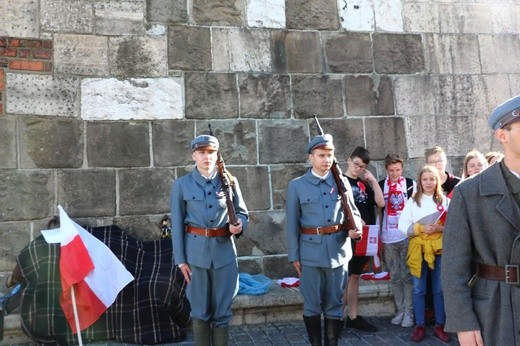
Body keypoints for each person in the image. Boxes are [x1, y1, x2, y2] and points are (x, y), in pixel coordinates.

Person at [442, 95, 520, 346]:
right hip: (495, 307)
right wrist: (463, 322)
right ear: (502, 135)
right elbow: (454, 266)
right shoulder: (470, 192)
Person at [170, 134, 249, 346]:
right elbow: (177, 224)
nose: (207, 157)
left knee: (222, 311)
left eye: (211, 152)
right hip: (196, 254)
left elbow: (242, 213)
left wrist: (239, 224)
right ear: (193, 155)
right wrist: (181, 260)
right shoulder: (182, 184)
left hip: (224, 253)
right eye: (202, 152)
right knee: (199, 310)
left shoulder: (230, 182)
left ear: (217, 155)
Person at [286, 134, 362, 346]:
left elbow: (354, 213)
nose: (326, 159)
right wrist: (294, 255)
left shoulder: (342, 182)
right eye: (321, 155)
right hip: (310, 255)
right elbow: (292, 223)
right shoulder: (297, 185)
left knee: (335, 306)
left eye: (330, 155)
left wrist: (356, 228)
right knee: (311, 306)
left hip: (338, 252)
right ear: (311, 157)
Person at [398, 165, 451, 343]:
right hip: (419, 249)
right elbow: (402, 226)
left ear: (437, 180)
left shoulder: (445, 201)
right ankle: (419, 325)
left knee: (439, 289)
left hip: (439, 248)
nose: (428, 182)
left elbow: (454, 225)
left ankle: (440, 325)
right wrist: (420, 228)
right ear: (420, 182)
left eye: (432, 179)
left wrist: (439, 228)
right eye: (425, 179)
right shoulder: (413, 202)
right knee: (419, 288)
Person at [343, 146, 385, 332]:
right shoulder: (339, 181)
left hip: (363, 236)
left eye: (362, 167)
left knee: (355, 276)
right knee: (342, 278)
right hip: (345, 236)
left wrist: (373, 181)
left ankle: (353, 316)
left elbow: (381, 203)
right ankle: (335, 318)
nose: (358, 168)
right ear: (349, 160)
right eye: (356, 164)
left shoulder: (363, 184)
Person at [378, 154, 417, 328]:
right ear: (387, 169)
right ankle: (400, 309)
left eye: (398, 170)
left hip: (406, 235)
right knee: (394, 275)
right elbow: (378, 208)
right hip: (388, 236)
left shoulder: (410, 185)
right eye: (391, 170)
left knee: (407, 275)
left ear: (402, 169)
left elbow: (416, 208)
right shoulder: (381, 185)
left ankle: (409, 311)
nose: (395, 173)